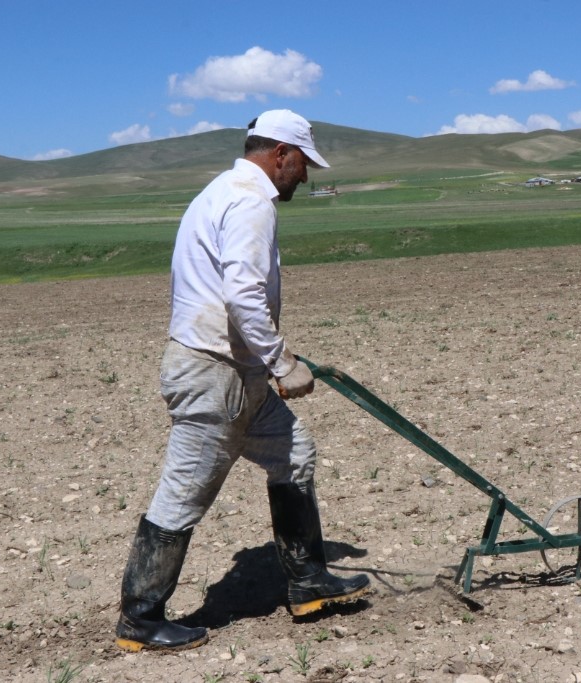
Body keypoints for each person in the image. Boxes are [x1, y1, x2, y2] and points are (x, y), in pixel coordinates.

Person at [114, 110, 371, 653]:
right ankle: (140, 619)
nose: (305, 177)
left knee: (294, 452)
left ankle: (308, 581)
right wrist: (281, 363)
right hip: (217, 376)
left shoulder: (220, 190)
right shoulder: (251, 201)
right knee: (184, 491)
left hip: (233, 371)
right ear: (281, 153)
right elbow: (243, 296)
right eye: (302, 164)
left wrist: (265, 363)